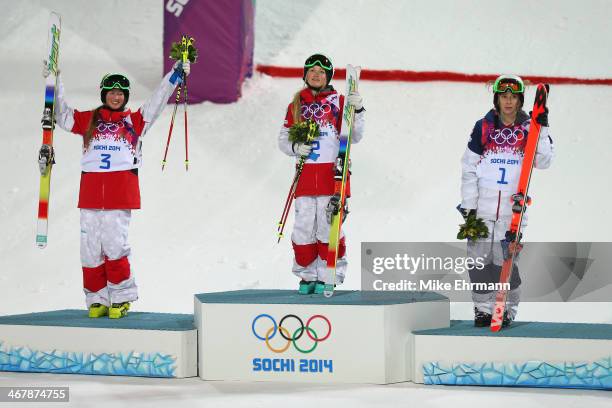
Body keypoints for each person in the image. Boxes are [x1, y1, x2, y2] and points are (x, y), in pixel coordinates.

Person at [42, 60, 191, 318]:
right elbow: (62, 115)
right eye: (111, 92)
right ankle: (97, 298)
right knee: (89, 249)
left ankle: (121, 297)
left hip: (119, 195)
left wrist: (175, 75)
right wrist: (55, 82)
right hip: (90, 196)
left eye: (120, 93)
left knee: (114, 247)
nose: (115, 96)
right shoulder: (90, 120)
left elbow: (157, 100)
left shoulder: (135, 121)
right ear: (104, 94)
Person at [459, 74, 554, 327]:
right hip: (482, 207)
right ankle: (482, 309)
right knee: (479, 262)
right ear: (497, 99)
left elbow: (543, 162)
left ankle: (507, 308)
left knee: (506, 262)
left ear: (521, 99)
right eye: (504, 97)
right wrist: (469, 207)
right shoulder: (484, 126)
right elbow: (468, 167)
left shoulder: (529, 127)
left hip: (513, 210)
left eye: (513, 97)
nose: (509, 102)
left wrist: (542, 130)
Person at [278, 54, 365, 294]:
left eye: (321, 72)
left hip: (331, 177)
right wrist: (296, 148)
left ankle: (330, 275)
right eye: (312, 70)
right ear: (305, 75)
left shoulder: (339, 101)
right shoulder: (296, 105)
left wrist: (357, 109)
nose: (316, 75)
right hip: (305, 178)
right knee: (304, 227)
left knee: (329, 227)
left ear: (328, 77)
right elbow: (283, 139)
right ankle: (307, 277)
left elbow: (354, 136)